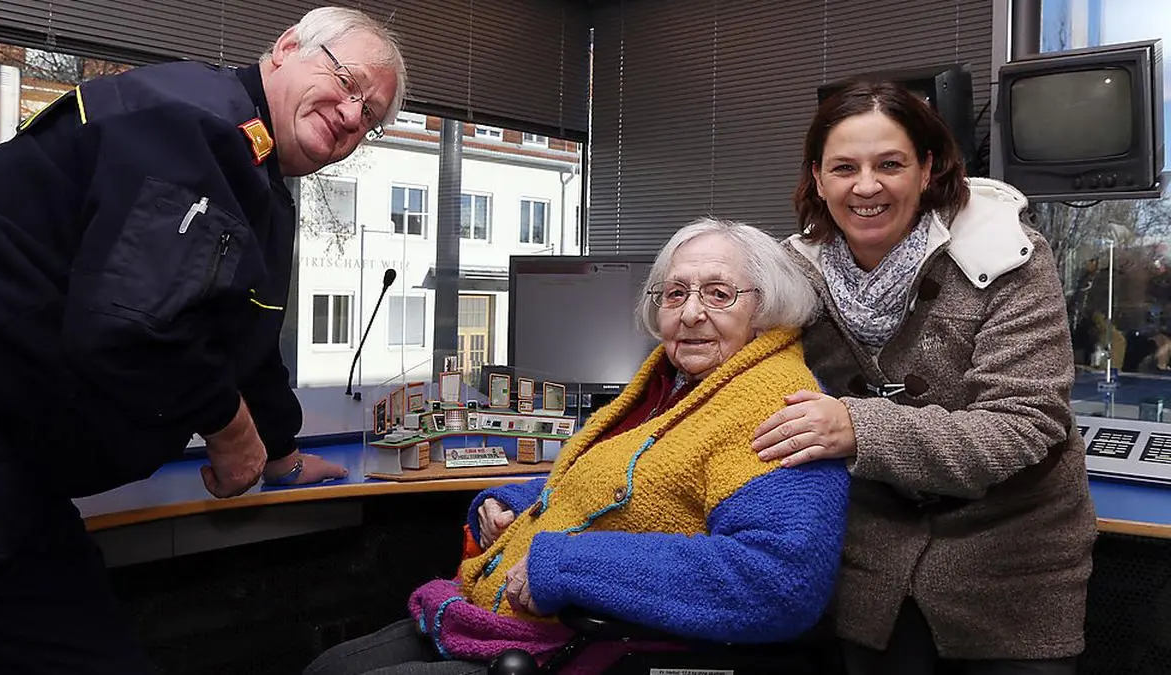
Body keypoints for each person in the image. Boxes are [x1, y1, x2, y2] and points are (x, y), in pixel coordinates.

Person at [0, 7, 406, 673]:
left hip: (21, 457)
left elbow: (246, 340)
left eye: (369, 116)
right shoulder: (199, 124)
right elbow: (132, 321)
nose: (352, 115)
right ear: (287, 47)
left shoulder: (256, 176)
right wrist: (231, 431)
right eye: (347, 83)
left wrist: (282, 452)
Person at [305, 218, 851, 675]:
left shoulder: (777, 406)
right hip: (515, 616)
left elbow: (778, 581)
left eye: (718, 293)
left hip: (593, 646)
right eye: (675, 293)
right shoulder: (675, 384)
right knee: (331, 666)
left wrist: (566, 564)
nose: (690, 313)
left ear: (766, 308)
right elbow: (611, 478)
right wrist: (516, 501)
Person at [751, 81, 1097, 674]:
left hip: (1009, 569)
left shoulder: (1008, 255)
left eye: (890, 164)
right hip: (870, 570)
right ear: (818, 179)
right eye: (844, 167)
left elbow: (1024, 424)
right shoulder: (791, 276)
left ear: (927, 169)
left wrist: (859, 428)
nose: (866, 186)